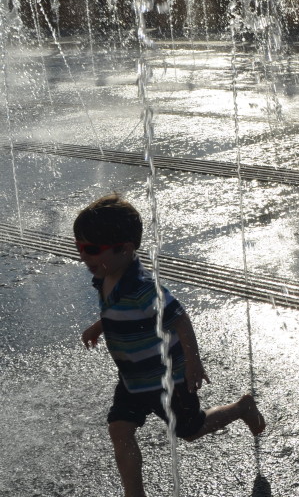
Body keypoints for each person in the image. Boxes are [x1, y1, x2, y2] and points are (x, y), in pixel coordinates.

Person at [75, 194, 265, 497]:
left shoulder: (143, 288)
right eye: (79, 248)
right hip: (133, 379)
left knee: (191, 430)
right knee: (120, 430)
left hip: (168, 379)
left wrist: (193, 363)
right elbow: (117, 310)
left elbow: (179, 319)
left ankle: (242, 407)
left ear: (124, 249)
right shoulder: (106, 275)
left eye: (90, 250)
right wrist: (100, 325)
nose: (83, 256)